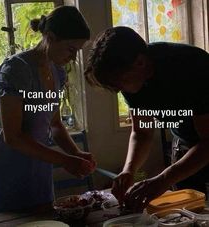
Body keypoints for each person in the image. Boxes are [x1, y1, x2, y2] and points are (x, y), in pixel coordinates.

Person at [0, 6, 96, 217]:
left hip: (39, 167)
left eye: (77, 50)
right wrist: (66, 161)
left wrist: (75, 154)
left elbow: (55, 125)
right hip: (8, 165)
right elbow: (12, 137)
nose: (74, 57)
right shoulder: (16, 70)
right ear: (50, 37)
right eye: (70, 49)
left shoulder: (57, 72)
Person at [84, 26, 209, 212]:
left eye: (120, 82)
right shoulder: (132, 78)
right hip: (185, 146)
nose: (120, 90)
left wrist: (165, 178)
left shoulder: (192, 66)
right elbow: (142, 132)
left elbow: (208, 142)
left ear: (140, 62)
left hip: (204, 142)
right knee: (187, 213)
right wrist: (129, 170)